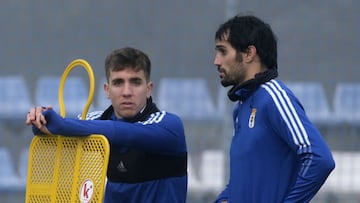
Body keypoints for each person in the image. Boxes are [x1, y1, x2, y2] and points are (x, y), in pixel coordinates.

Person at [26, 47, 188, 203]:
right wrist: (41, 121)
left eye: (135, 82)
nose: (126, 92)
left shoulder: (169, 126)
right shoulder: (95, 121)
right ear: (107, 90)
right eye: (118, 83)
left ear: (148, 89)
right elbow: (53, 129)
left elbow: (124, 133)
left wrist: (61, 125)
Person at [213, 14, 335, 203]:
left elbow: (319, 159)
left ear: (249, 53)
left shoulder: (274, 97)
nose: (217, 61)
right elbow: (244, 178)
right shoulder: (241, 107)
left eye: (223, 51)